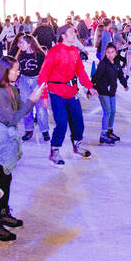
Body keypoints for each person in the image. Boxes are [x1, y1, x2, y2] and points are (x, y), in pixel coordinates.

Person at [0, 56, 43, 242]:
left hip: (7, 141)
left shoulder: (11, 88)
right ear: (4, 71)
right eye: (14, 70)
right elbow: (13, 118)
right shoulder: (0, 92)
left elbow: (17, 110)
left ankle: (3, 213)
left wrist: (29, 100)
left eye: (18, 70)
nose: (17, 73)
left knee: (6, 179)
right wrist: (32, 100)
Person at [37, 24, 97, 167]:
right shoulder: (54, 51)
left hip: (72, 92)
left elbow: (80, 71)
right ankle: (55, 150)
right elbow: (43, 75)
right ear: (63, 35)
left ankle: (77, 145)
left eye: (74, 32)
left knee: (78, 121)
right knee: (62, 122)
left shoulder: (74, 50)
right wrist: (44, 96)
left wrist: (89, 86)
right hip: (57, 93)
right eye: (71, 32)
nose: (74, 34)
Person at [91, 43, 129, 144]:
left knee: (113, 111)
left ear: (116, 53)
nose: (110, 54)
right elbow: (96, 76)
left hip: (112, 91)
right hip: (103, 91)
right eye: (108, 52)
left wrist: (125, 84)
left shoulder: (116, 63)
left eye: (112, 52)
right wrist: (91, 87)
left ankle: (109, 131)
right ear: (105, 53)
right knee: (107, 111)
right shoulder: (103, 63)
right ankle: (103, 134)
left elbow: (120, 75)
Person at [16, 34, 49, 142]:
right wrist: (17, 80)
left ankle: (45, 130)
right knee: (27, 107)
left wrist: (44, 85)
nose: (20, 45)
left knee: (40, 108)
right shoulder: (20, 55)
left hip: (37, 81)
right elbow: (17, 69)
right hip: (24, 81)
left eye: (23, 43)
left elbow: (46, 71)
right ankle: (29, 130)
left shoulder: (40, 55)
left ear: (30, 43)